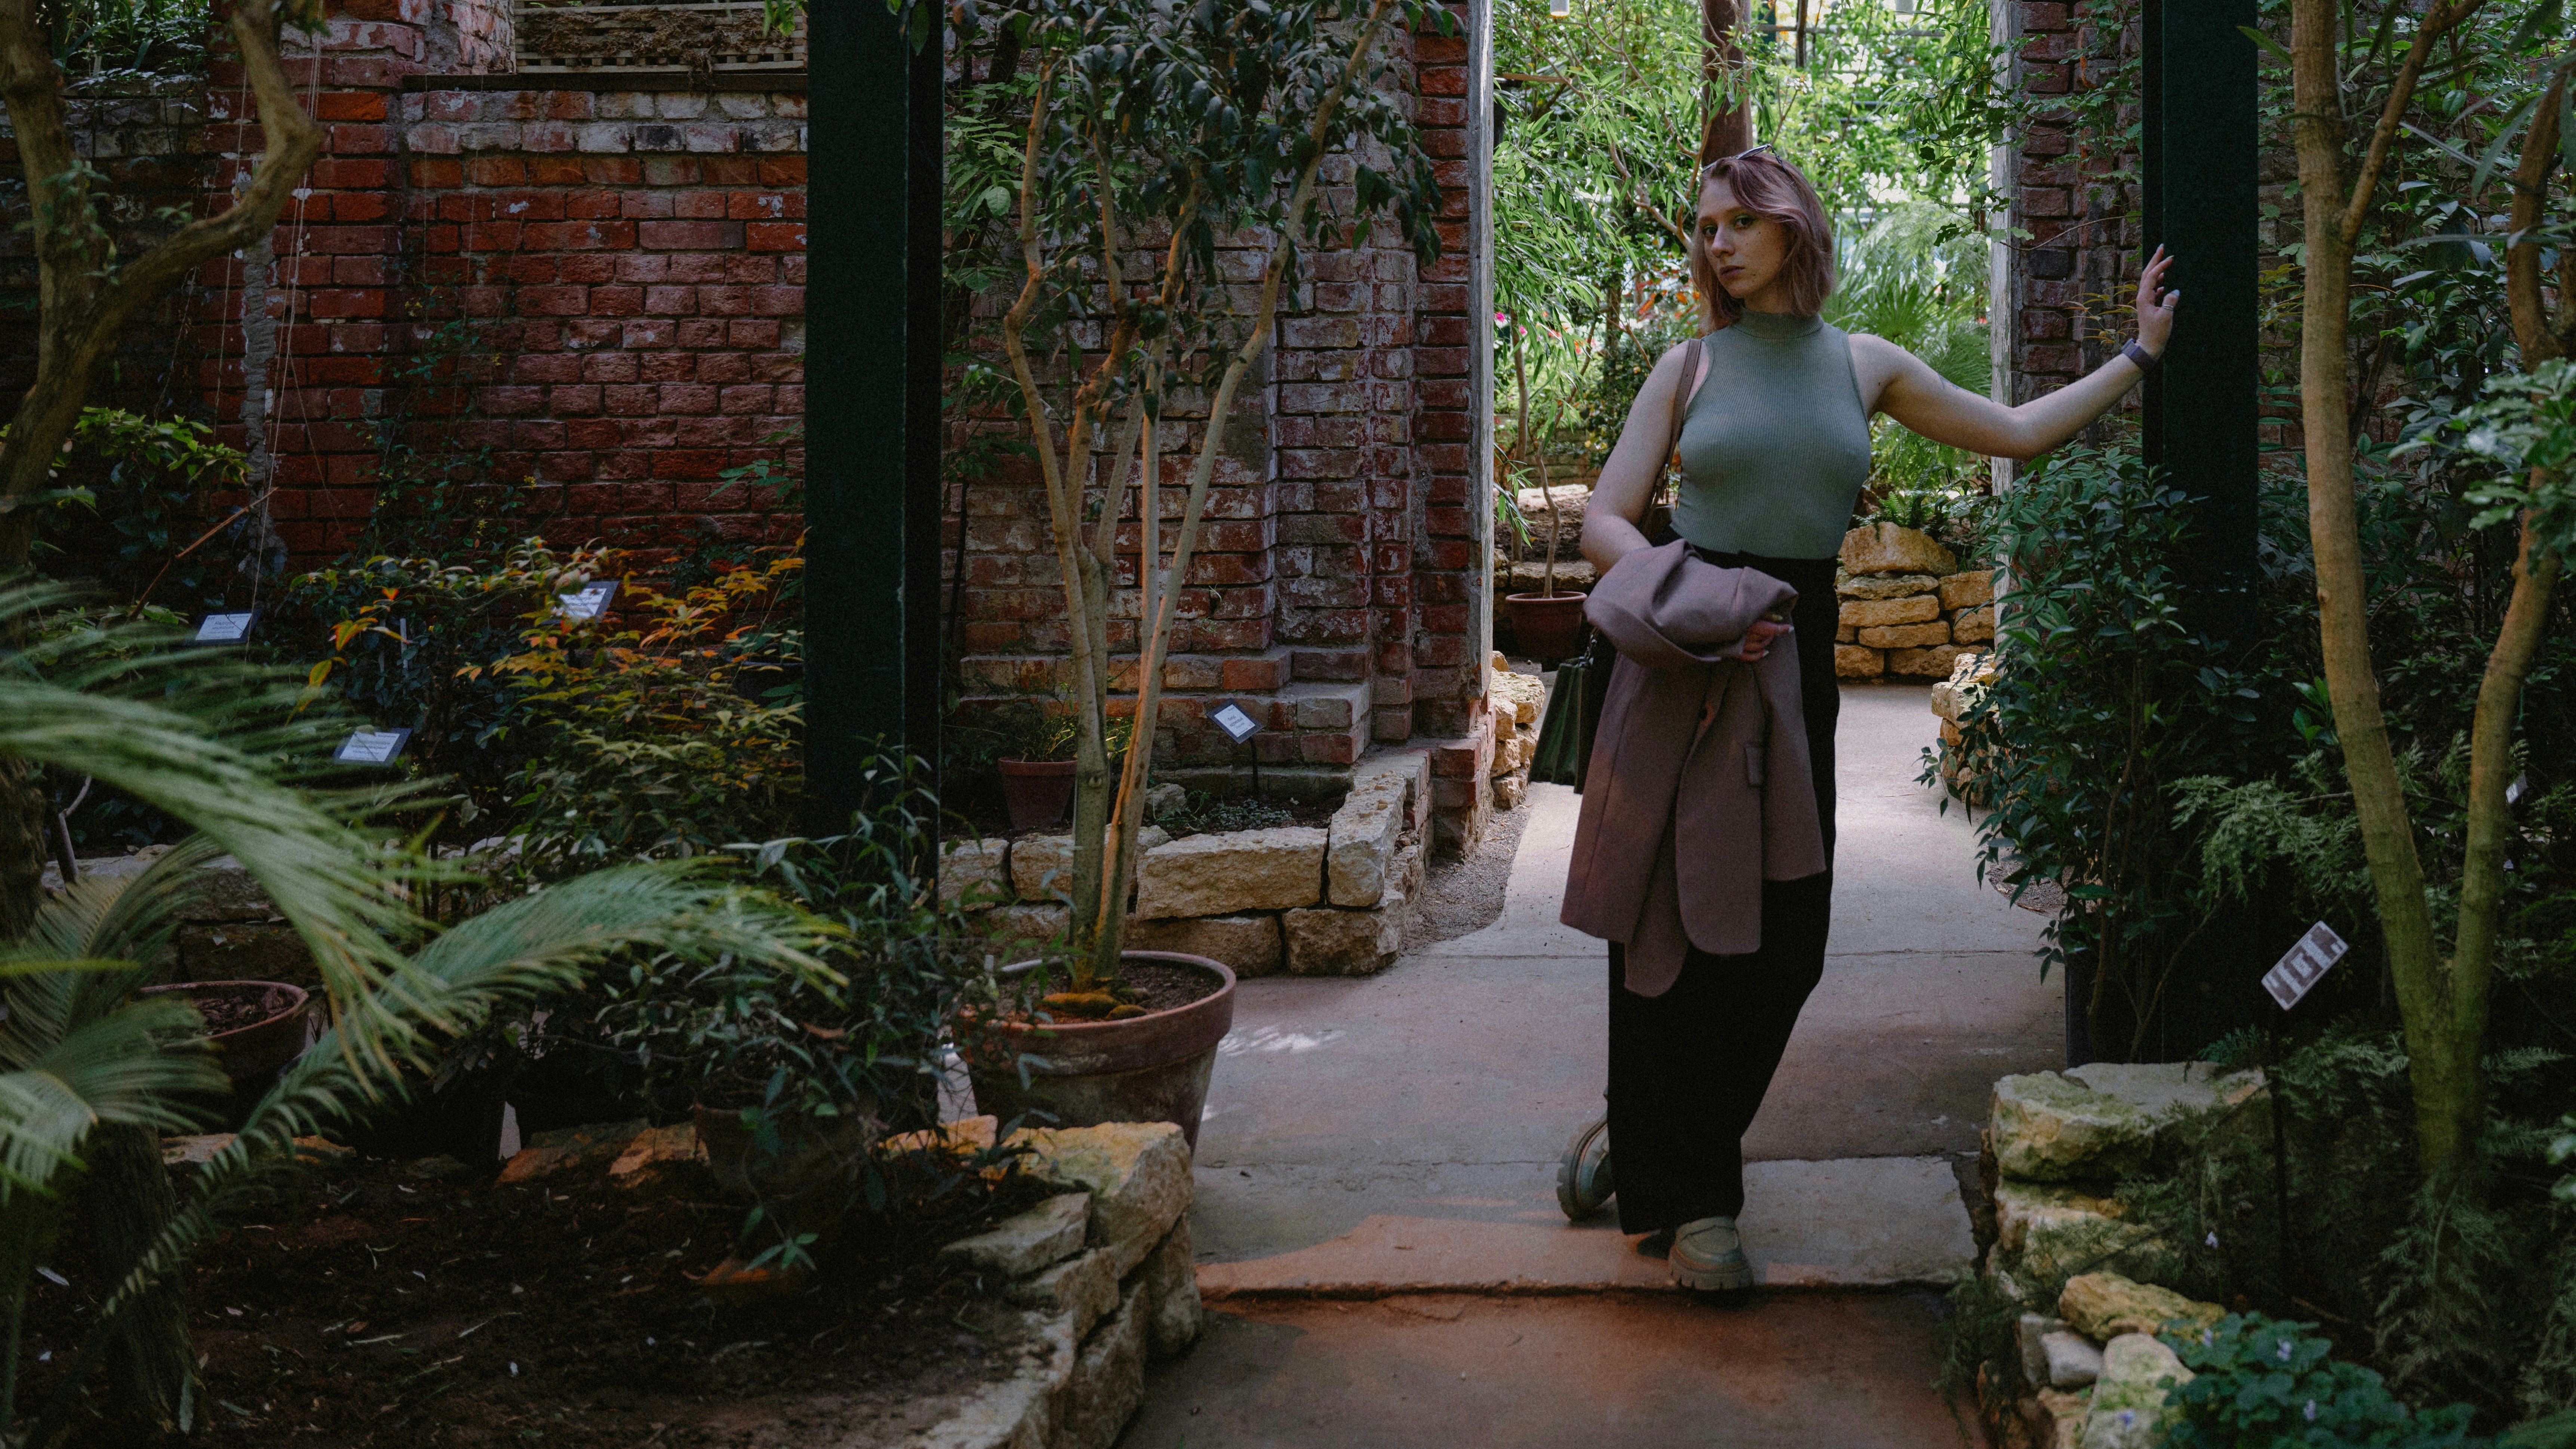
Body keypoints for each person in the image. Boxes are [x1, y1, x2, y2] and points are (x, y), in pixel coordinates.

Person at [1571, 146, 2179, 1292]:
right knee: (1670, 931)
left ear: (1792, 226)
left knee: (1789, 939)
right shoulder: (1686, 367)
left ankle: (1651, 1133)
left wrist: (2136, 355)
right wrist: (1696, 601)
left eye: (1736, 221)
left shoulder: (1863, 364)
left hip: (1791, 660)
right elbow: (1606, 519)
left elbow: (2015, 431)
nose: (1714, 243)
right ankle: (1694, 1199)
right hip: (1685, 653)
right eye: (1704, 226)